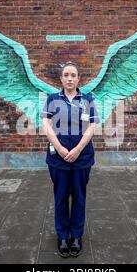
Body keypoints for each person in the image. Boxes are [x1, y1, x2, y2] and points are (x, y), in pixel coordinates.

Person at [42, 61, 99, 258]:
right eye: (66, 75)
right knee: (60, 198)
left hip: (81, 158)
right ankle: (62, 235)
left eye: (73, 75)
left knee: (79, 198)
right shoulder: (52, 99)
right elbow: (46, 125)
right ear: (61, 79)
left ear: (78, 78)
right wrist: (59, 148)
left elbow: (92, 127)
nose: (69, 78)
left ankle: (76, 236)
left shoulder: (88, 100)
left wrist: (77, 149)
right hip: (57, 159)